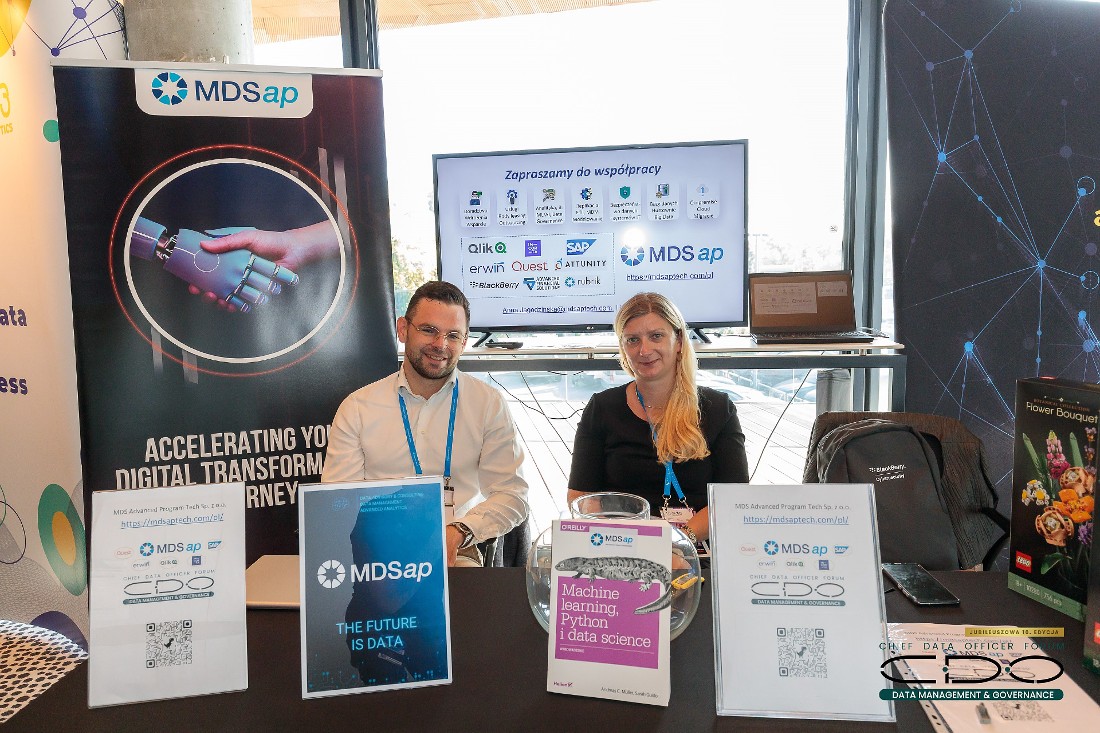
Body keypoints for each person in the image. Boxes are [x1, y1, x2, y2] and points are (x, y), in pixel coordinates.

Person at [322, 280, 529, 567]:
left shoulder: (488, 404)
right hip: (377, 551)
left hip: (455, 550)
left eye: (453, 335)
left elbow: (513, 494)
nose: (440, 345)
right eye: (429, 330)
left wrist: (460, 532)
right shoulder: (358, 408)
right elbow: (337, 500)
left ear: (465, 342)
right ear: (404, 330)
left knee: (471, 601)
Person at [567, 292, 749, 544]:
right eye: (632, 340)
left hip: (697, 547)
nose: (644, 350)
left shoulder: (718, 409)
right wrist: (623, 542)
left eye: (656, 336)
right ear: (623, 348)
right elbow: (581, 496)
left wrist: (679, 542)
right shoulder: (602, 407)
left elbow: (733, 499)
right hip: (622, 548)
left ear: (679, 342)